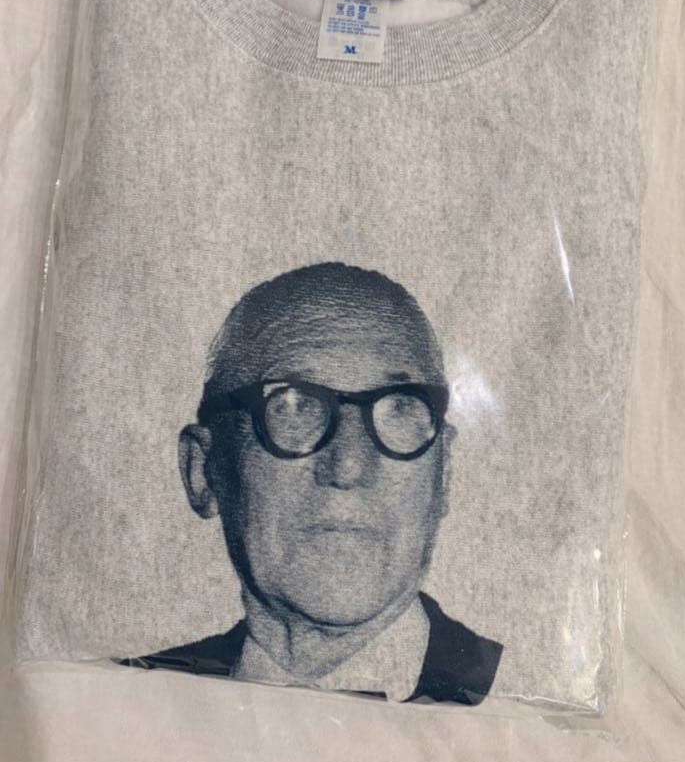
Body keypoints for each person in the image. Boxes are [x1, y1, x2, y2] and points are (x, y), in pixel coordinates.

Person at [127, 262, 502, 705]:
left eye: (400, 408)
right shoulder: (121, 701)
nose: (348, 466)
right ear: (204, 471)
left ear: (444, 474)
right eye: (293, 407)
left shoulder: (522, 699)